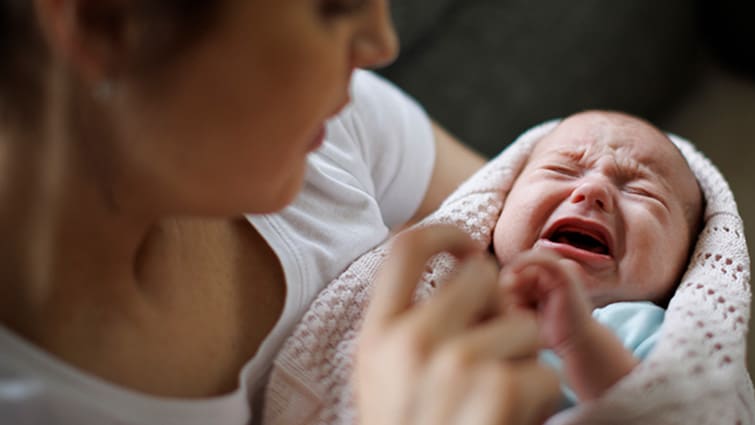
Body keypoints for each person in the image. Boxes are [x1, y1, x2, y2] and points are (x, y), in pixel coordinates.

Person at [0, 1, 560, 424]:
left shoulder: (323, 131)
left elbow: (619, 241)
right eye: (332, 6)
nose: (381, 41)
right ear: (102, 22)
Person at [493, 111, 704, 404]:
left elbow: (671, 412)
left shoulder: (650, 330)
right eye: (561, 170)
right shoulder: (460, 283)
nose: (593, 190)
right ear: (500, 202)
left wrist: (578, 338)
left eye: (642, 191)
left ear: (689, 260)